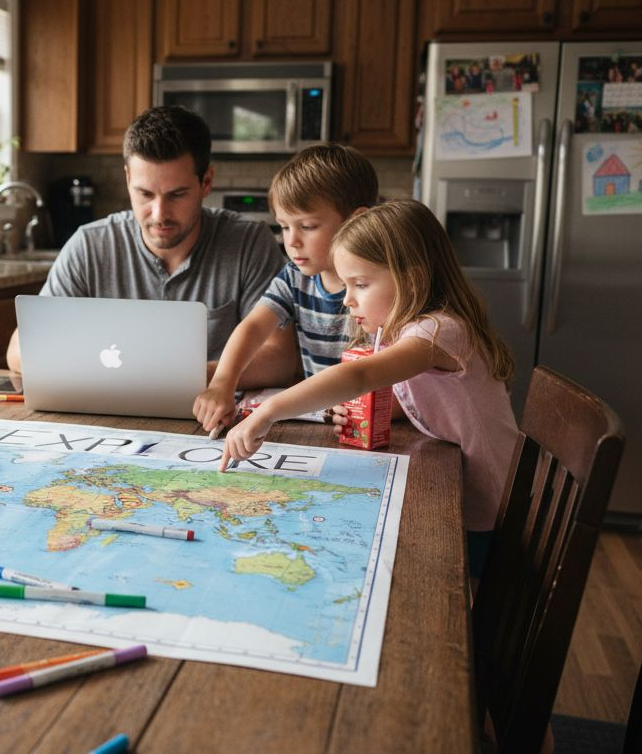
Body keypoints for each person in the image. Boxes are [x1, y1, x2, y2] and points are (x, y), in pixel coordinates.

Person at [219, 200, 518, 578]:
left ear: (412, 280)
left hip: (494, 506)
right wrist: (372, 410)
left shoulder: (439, 331)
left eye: (360, 284)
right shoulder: (408, 334)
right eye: (346, 284)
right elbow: (430, 399)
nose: (347, 299)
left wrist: (267, 412)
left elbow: (359, 376)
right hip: (469, 490)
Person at [5, 105, 294, 386]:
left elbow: (281, 358)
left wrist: (175, 380)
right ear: (128, 178)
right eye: (144, 194)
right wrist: (113, 377)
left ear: (206, 182)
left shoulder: (248, 243)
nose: (159, 214)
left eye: (177, 194)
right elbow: (19, 352)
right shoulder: (89, 246)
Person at [194, 143, 377, 432]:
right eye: (284, 226)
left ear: (356, 221)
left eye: (307, 226)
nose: (291, 241)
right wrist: (222, 383)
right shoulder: (295, 277)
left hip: (374, 421)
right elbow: (254, 327)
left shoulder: (380, 284)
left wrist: (368, 407)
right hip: (325, 422)